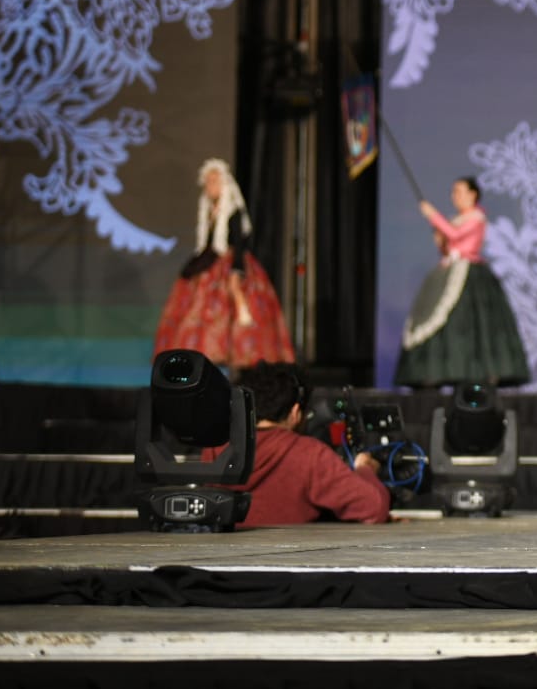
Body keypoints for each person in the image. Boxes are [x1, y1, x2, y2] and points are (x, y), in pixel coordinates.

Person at [207, 362, 390, 527]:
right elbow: (373, 508)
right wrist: (365, 469)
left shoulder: (214, 448)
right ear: (296, 412)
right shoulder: (308, 453)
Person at [154, 158, 294, 371]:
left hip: (230, 266)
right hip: (210, 265)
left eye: (215, 181)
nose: (211, 186)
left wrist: (235, 273)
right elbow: (207, 244)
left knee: (233, 315)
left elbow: (239, 243)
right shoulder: (209, 212)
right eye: (208, 182)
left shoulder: (233, 212)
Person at [396, 177, 530, 388]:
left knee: (474, 326)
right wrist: (441, 240)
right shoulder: (456, 218)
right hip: (449, 271)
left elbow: (456, 235)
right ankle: (437, 371)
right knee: (444, 322)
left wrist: (433, 216)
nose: (454, 196)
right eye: (453, 192)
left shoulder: (476, 218)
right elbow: (448, 244)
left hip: (469, 273)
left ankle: (478, 373)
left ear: (472, 194)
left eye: (459, 191)